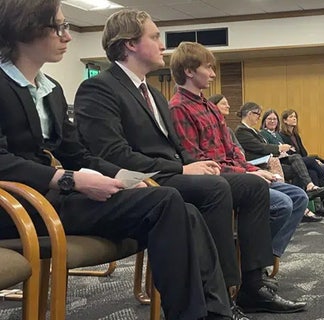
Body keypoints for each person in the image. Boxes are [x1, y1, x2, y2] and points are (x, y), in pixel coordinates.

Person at [0, 1, 233, 319]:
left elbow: (78, 154)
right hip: (16, 205)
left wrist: (129, 178)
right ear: (26, 28)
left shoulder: (50, 89)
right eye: (60, 27)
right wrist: (70, 179)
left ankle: (213, 311)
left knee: (182, 208)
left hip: (51, 196)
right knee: (166, 200)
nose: (67, 36)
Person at [73, 10, 305, 315]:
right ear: (130, 44)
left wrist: (194, 164)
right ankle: (222, 297)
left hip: (170, 174)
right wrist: (182, 168)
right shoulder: (100, 87)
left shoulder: (154, 93)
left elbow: (176, 148)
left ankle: (252, 285)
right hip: (141, 179)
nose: (162, 45)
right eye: (154, 36)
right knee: (215, 188)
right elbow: (112, 153)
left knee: (250, 186)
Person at [167, 42, 308, 262]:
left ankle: (258, 258)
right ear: (189, 71)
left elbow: (232, 150)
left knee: (299, 197)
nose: (213, 74)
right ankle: (251, 262)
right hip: (217, 182)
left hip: (236, 175)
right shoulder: (178, 108)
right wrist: (247, 174)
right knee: (283, 204)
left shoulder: (210, 107)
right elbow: (198, 161)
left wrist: (251, 169)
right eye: (208, 68)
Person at [211, 98, 322, 223]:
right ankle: (304, 202)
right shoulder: (242, 131)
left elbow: (240, 153)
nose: (259, 118)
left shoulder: (250, 131)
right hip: (256, 164)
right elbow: (258, 148)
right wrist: (278, 148)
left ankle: (313, 203)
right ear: (249, 114)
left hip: (256, 164)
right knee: (301, 166)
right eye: (258, 114)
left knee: (306, 168)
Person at [279, 109, 324, 210]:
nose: (294, 118)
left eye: (295, 116)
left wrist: (312, 161)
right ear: (284, 121)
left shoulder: (296, 135)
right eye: (291, 117)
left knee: (315, 170)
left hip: (301, 161)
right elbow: (291, 155)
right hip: (292, 163)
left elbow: (304, 153)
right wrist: (311, 160)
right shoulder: (281, 135)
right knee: (316, 162)